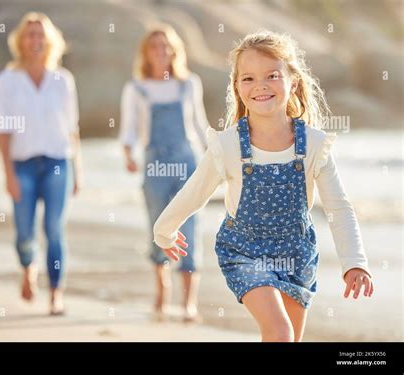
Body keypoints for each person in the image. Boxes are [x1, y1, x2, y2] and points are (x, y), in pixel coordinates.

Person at [153, 30, 373, 341]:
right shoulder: (228, 145)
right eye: (248, 79)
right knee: (280, 332)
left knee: (288, 339)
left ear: (292, 81)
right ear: (237, 87)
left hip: (297, 254)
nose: (260, 86)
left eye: (272, 75)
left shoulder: (313, 144)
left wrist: (355, 263)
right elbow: (195, 191)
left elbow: (339, 208)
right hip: (245, 251)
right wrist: (164, 229)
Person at [0, 12, 83, 315]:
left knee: (55, 229)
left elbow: (72, 130)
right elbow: (3, 131)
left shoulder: (63, 80)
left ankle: (56, 293)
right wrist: (8, 174)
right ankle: (27, 268)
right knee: (24, 231)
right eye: (30, 34)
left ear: (50, 40)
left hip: (59, 163)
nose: (35, 39)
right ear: (20, 40)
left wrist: (77, 171)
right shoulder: (7, 80)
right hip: (22, 166)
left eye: (40, 34)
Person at [119, 24, 210, 322]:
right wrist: (128, 153)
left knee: (190, 227)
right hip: (154, 164)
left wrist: (219, 155)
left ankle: (189, 302)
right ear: (146, 52)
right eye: (155, 46)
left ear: (175, 50)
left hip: (187, 162)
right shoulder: (136, 88)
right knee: (159, 227)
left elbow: (199, 125)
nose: (161, 51)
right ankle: (161, 291)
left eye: (166, 46)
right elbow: (129, 128)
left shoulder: (189, 84)